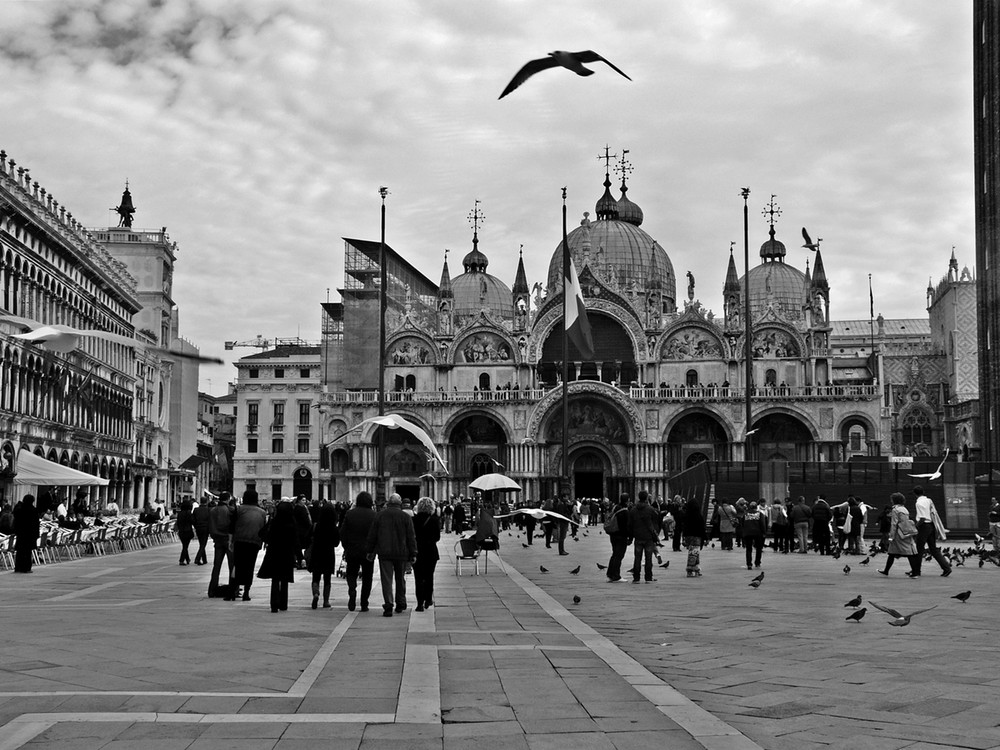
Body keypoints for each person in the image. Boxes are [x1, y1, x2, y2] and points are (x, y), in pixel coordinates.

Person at [366, 493, 417, 617]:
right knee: (400, 578)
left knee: (387, 580)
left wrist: (370, 551)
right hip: (401, 553)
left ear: (389, 502)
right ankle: (400, 602)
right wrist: (413, 552)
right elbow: (411, 536)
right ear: (399, 503)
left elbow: (373, 535)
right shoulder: (405, 517)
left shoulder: (380, 516)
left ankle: (388, 604)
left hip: (385, 552)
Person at [258, 500, 299, 612]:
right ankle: (283, 604)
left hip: (274, 552)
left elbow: (262, 533)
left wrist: (269, 541)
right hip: (287, 553)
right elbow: (296, 541)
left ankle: (274, 605)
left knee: (275, 579)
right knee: (285, 579)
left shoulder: (274, 522)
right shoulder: (292, 523)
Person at [339, 491, 377, 612]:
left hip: (352, 550)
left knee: (351, 573)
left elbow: (343, 533)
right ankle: (364, 603)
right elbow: (376, 534)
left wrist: (346, 547)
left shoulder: (350, 514)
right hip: (368, 552)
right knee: (367, 577)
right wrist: (374, 550)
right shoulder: (374, 515)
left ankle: (352, 590)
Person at [231, 489, 267, 601]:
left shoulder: (239, 509)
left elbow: (232, 526)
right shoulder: (262, 512)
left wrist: (230, 541)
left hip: (239, 541)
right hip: (254, 542)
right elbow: (263, 528)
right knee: (249, 567)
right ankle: (246, 592)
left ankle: (233, 591)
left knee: (237, 565)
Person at [912, 485, 952, 577]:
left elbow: (922, 518)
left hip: (923, 526)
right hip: (931, 525)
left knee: (918, 549)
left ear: (915, 494)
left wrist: (915, 527)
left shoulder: (918, 503)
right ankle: (946, 568)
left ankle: (916, 571)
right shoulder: (929, 500)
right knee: (933, 549)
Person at [878, 492, 919, 577]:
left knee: (896, 553)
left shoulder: (895, 510)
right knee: (895, 552)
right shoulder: (904, 509)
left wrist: (891, 536)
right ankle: (886, 570)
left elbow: (894, 524)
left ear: (894, 500)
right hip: (906, 532)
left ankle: (914, 573)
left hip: (898, 534)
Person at [308, 503, 341, 609]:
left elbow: (308, 537)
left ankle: (316, 593)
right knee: (327, 579)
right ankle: (326, 601)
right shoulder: (333, 528)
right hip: (328, 554)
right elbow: (336, 543)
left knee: (315, 577)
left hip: (317, 553)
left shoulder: (316, 526)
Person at [412, 496, 440, 612]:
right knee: (429, 576)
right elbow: (437, 537)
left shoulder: (414, 520)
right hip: (431, 552)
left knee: (418, 578)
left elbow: (411, 536)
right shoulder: (434, 520)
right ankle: (428, 599)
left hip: (417, 552)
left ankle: (419, 604)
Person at [628, 491, 660, 583]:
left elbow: (630, 525)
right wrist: (655, 533)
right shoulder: (650, 509)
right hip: (648, 537)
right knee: (648, 558)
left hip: (638, 537)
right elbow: (656, 521)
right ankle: (648, 577)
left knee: (637, 558)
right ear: (646, 498)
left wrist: (630, 538)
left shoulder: (633, 510)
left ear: (638, 497)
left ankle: (636, 577)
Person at [207, 491, 235, 598]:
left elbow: (211, 525)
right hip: (228, 540)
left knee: (216, 566)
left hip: (217, 541)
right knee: (231, 566)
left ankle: (212, 590)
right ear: (228, 499)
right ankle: (232, 590)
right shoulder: (230, 510)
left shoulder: (213, 510)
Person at [605, 494, 631, 582]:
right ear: (627, 500)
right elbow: (626, 526)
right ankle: (616, 576)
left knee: (615, 554)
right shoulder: (625, 511)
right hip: (621, 536)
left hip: (613, 535)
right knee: (619, 555)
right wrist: (629, 537)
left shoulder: (615, 507)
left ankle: (610, 574)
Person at [12, 494, 40, 573]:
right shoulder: (33, 510)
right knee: (28, 552)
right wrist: (36, 535)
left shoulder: (19, 509)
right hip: (30, 534)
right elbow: (35, 524)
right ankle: (26, 568)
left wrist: (16, 531)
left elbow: (16, 522)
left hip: (21, 534)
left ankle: (18, 567)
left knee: (20, 551)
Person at [681, 497, 705, 577]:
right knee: (694, 552)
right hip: (697, 536)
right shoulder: (699, 516)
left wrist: (684, 536)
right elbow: (702, 528)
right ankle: (691, 568)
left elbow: (684, 527)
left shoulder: (686, 515)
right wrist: (705, 538)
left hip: (689, 536)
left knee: (693, 552)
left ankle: (696, 568)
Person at [741, 500, 767, 570]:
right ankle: (757, 562)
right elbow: (762, 524)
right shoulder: (760, 514)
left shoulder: (746, 514)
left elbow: (742, 523)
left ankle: (749, 564)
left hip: (748, 533)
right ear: (756, 507)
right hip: (757, 533)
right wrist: (764, 532)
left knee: (749, 549)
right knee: (758, 548)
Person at [192, 496, 211, 565]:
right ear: (206, 502)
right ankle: (197, 558)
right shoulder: (208, 510)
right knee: (203, 544)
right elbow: (210, 520)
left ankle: (204, 559)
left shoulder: (196, 510)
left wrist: (196, 526)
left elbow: (193, 520)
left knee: (201, 543)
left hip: (198, 528)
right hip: (205, 528)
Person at [174, 499, 194, 566]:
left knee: (184, 545)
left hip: (181, 531)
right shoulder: (189, 513)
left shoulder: (180, 513)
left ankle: (187, 559)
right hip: (188, 531)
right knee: (185, 546)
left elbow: (178, 522)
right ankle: (181, 560)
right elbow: (192, 521)